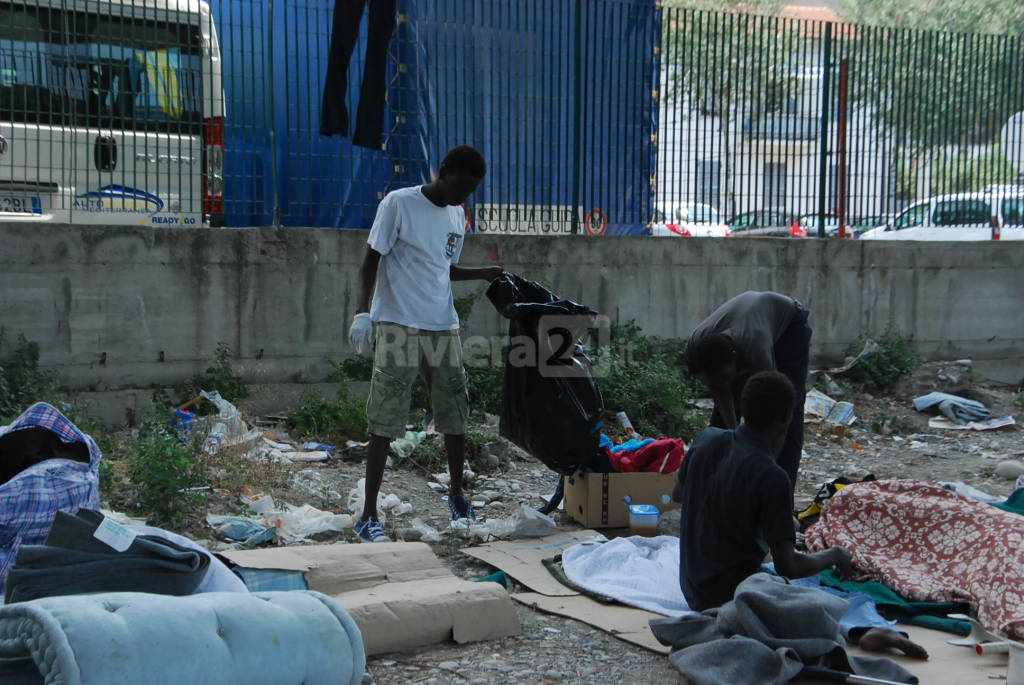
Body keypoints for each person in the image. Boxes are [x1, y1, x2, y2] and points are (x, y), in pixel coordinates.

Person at [675, 371, 928, 658]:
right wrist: (835, 555)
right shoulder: (771, 476)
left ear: (744, 409)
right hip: (736, 596)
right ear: (786, 419)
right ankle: (866, 628)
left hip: (691, 586)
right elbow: (788, 567)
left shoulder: (707, 439)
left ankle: (863, 626)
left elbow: (679, 495)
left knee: (808, 582)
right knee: (831, 595)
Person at [347, 145, 503, 543]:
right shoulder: (399, 204)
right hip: (399, 323)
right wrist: (363, 313)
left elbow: (443, 267)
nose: (460, 197)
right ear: (442, 171)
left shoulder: (456, 214)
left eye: (469, 192)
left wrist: (482, 273)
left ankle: (456, 495)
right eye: (458, 187)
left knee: (455, 412)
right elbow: (371, 260)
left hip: (442, 324)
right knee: (385, 419)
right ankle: (368, 514)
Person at [684, 290, 810, 487]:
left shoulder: (756, 349)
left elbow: (781, 412)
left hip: (789, 326)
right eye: (715, 378)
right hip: (746, 323)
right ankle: (713, 485)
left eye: (726, 378)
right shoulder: (695, 347)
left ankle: (780, 493)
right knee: (719, 426)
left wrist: (766, 463)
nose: (722, 383)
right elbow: (720, 391)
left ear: (737, 360)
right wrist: (736, 439)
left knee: (787, 412)